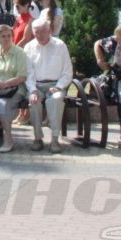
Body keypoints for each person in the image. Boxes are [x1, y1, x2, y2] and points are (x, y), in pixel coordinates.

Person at [25, 17, 74, 153]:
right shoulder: (28, 47)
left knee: (56, 100)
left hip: (56, 84)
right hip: (37, 85)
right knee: (33, 102)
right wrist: (33, 90)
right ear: (33, 32)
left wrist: (59, 86)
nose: (39, 35)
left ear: (49, 31)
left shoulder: (60, 45)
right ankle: (37, 138)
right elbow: (28, 73)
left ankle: (54, 139)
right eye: (36, 32)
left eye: (42, 32)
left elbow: (67, 72)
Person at [0, 23, 29, 152]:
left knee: (4, 105)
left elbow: (22, 77)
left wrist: (4, 84)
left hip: (15, 89)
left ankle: (8, 139)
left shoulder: (19, 52)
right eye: (3, 36)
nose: (7, 38)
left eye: (9, 35)